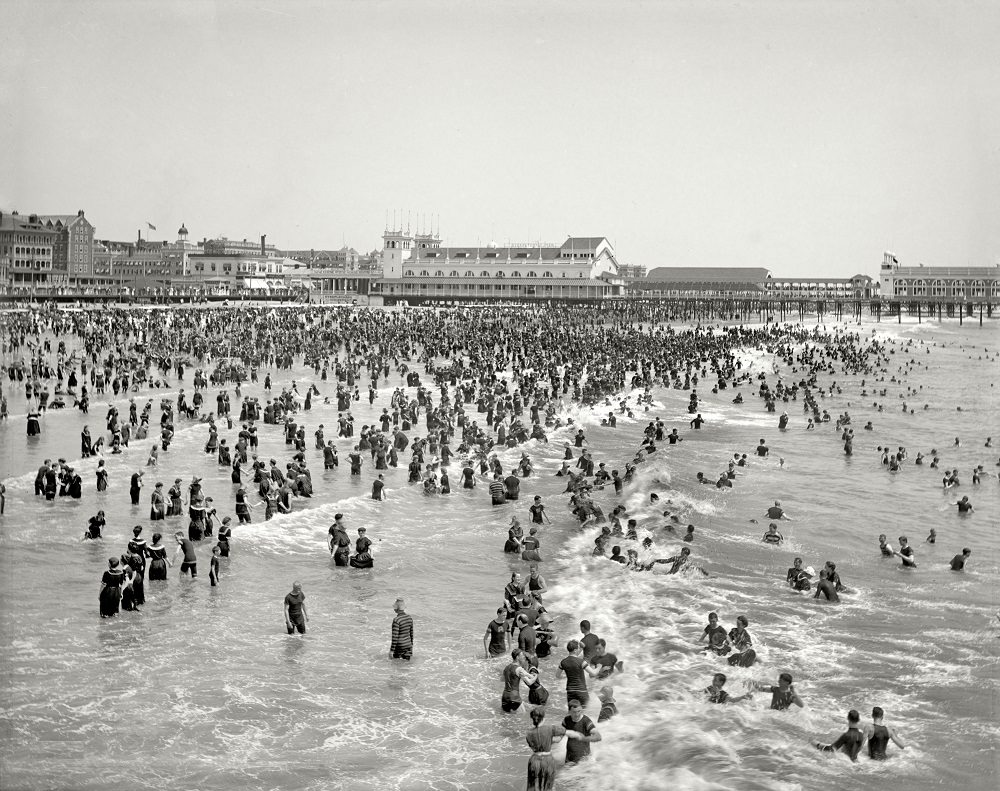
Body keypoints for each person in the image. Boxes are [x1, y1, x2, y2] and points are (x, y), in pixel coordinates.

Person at [524, 706, 572, 791]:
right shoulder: (549, 728)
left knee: (531, 787)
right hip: (548, 760)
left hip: (534, 760)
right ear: (543, 718)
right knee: (548, 787)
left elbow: (533, 746)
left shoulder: (529, 733)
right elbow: (562, 732)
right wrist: (557, 738)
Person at [562, 699, 601, 765]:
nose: (577, 714)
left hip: (583, 761)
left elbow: (598, 737)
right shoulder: (566, 720)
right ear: (569, 712)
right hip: (569, 758)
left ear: (581, 709)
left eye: (579, 711)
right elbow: (560, 734)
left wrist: (584, 738)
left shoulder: (586, 721)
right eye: (574, 712)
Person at [557, 640, 590, 707]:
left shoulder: (563, 662)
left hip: (570, 692)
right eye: (578, 648)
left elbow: (557, 675)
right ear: (575, 650)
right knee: (584, 712)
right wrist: (599, 667)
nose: (579, 650)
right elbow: (593, 673)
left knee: (571, 712)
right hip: (581, 691)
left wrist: (566, 677)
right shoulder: (581, 662)